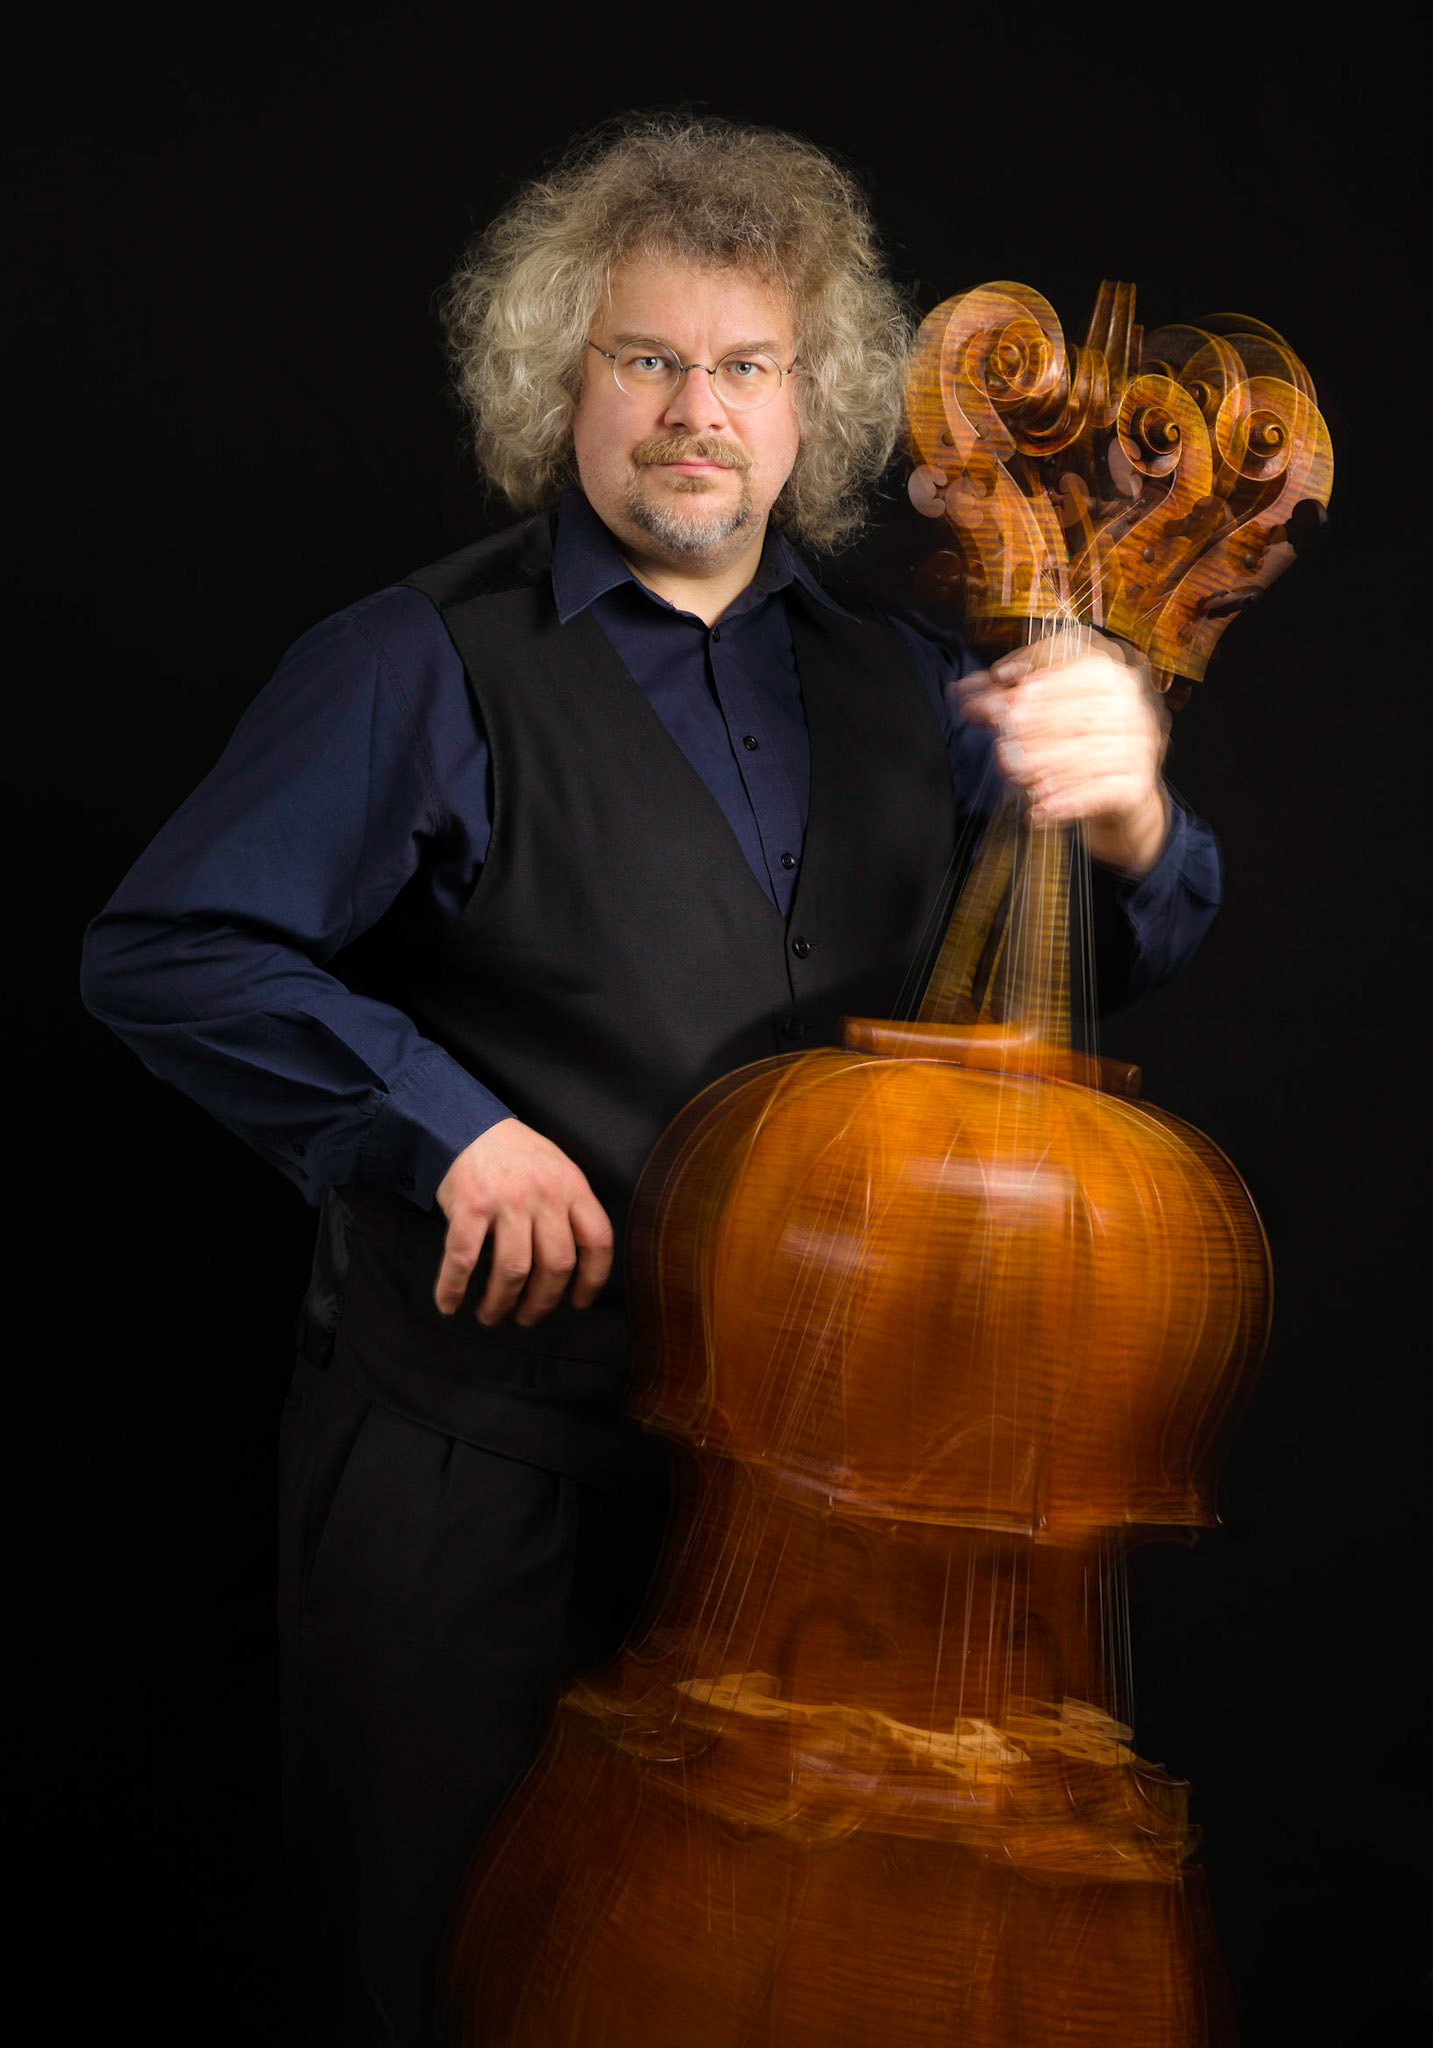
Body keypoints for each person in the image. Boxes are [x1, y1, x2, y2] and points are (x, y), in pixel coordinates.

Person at [80, 114, 1221, 2047]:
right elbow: (171, 945)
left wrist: (1126, 813)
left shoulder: (905, 677)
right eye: (649, 359)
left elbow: (1106, 962)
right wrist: (445, 1127)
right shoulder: (415, 661)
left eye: (747, 366)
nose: (699, 413)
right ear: (564, 383)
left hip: (795, 1517)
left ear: (810, 407)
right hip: (484, 1481)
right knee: (444, 1973)